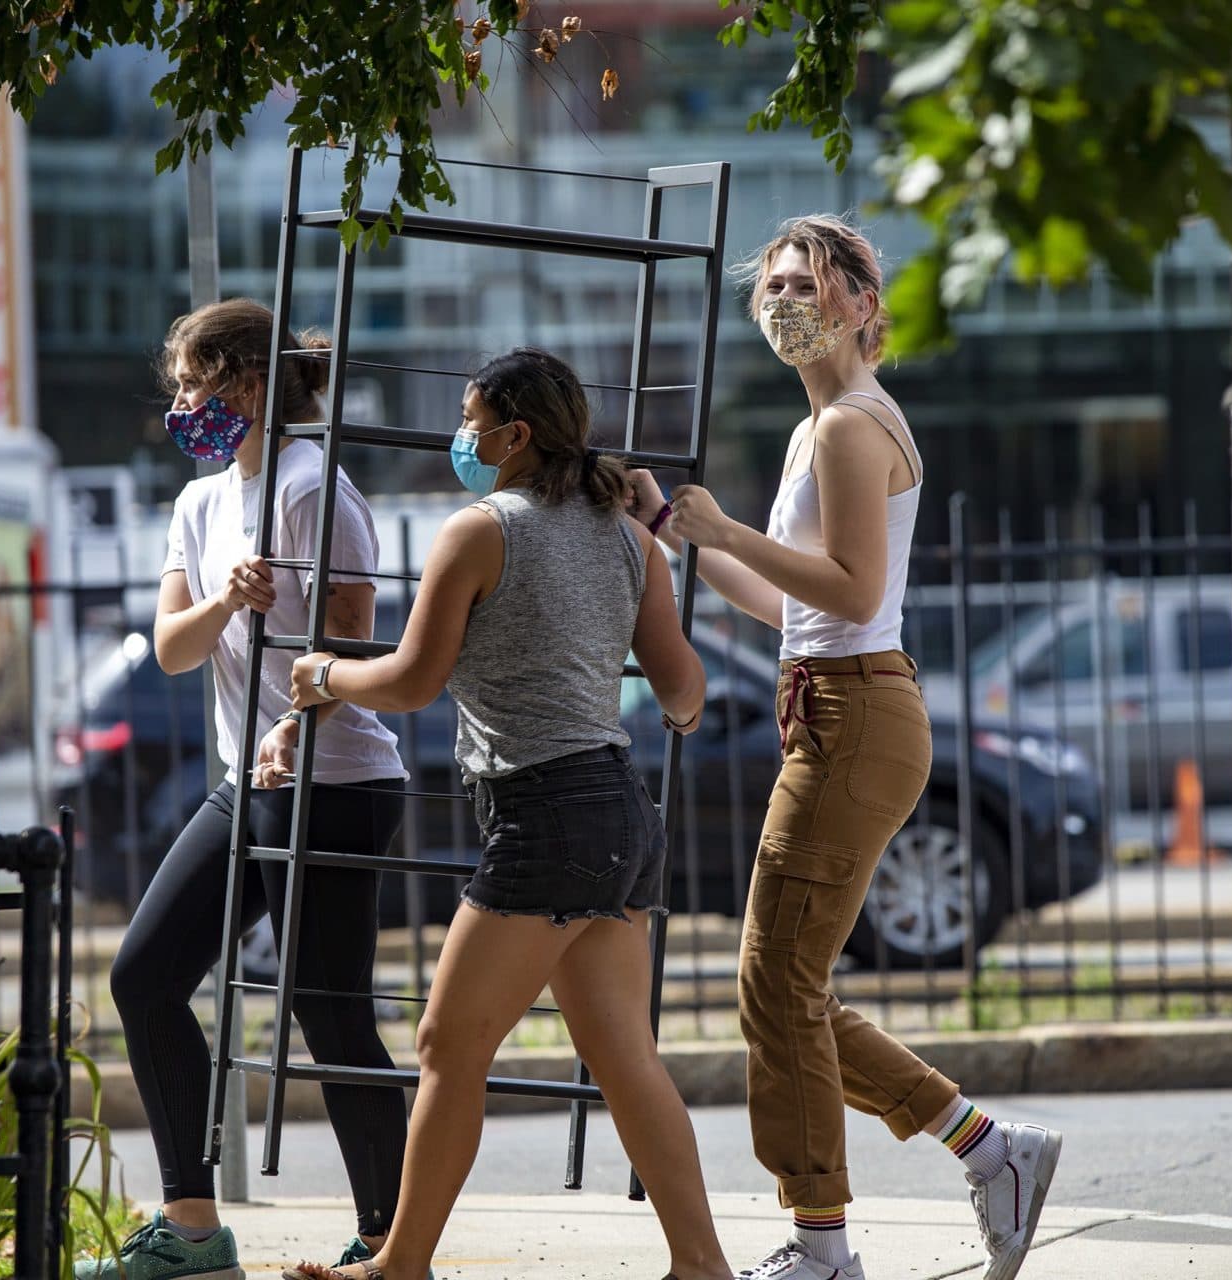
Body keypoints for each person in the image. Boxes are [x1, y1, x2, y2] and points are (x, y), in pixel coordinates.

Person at [628, 215, 1063, 1280]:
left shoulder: (848, 428)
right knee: (793, 985)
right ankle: (992, 1149)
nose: (786, 302)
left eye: (808, 284)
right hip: (835, 705)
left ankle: (824, 1244)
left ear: (864, 304)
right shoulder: (820, 427)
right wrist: (679, 531)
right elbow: (790, 603)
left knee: (775, 980)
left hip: (854, 714)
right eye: (772, 285)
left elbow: (857, 592)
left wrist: (727, 529)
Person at [281, 347, 734, 1280]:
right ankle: (702, 1267)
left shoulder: (481, 529)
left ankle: (400, 1267)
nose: (462, 436)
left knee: (449, 1042)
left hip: (545, 813)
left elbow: (410, 680)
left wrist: (323, 673)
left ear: (514, 435)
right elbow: (683, 691)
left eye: (468, 418)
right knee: (623, 1057)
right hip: (619, 810)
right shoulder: (628, 537)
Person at [80, 299, 414, 1280]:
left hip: (336, 776)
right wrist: (229, 593)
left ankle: (390, 1239)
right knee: (142, 976)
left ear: (249, 383)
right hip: (247, 781)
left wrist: (292, 723)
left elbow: (354, 637)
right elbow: (175, 646)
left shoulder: (315, 486)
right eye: (180, 384)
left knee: (330, 1008)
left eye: (195, 381)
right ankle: (191, 1226)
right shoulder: (200, 502)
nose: (183, 402)